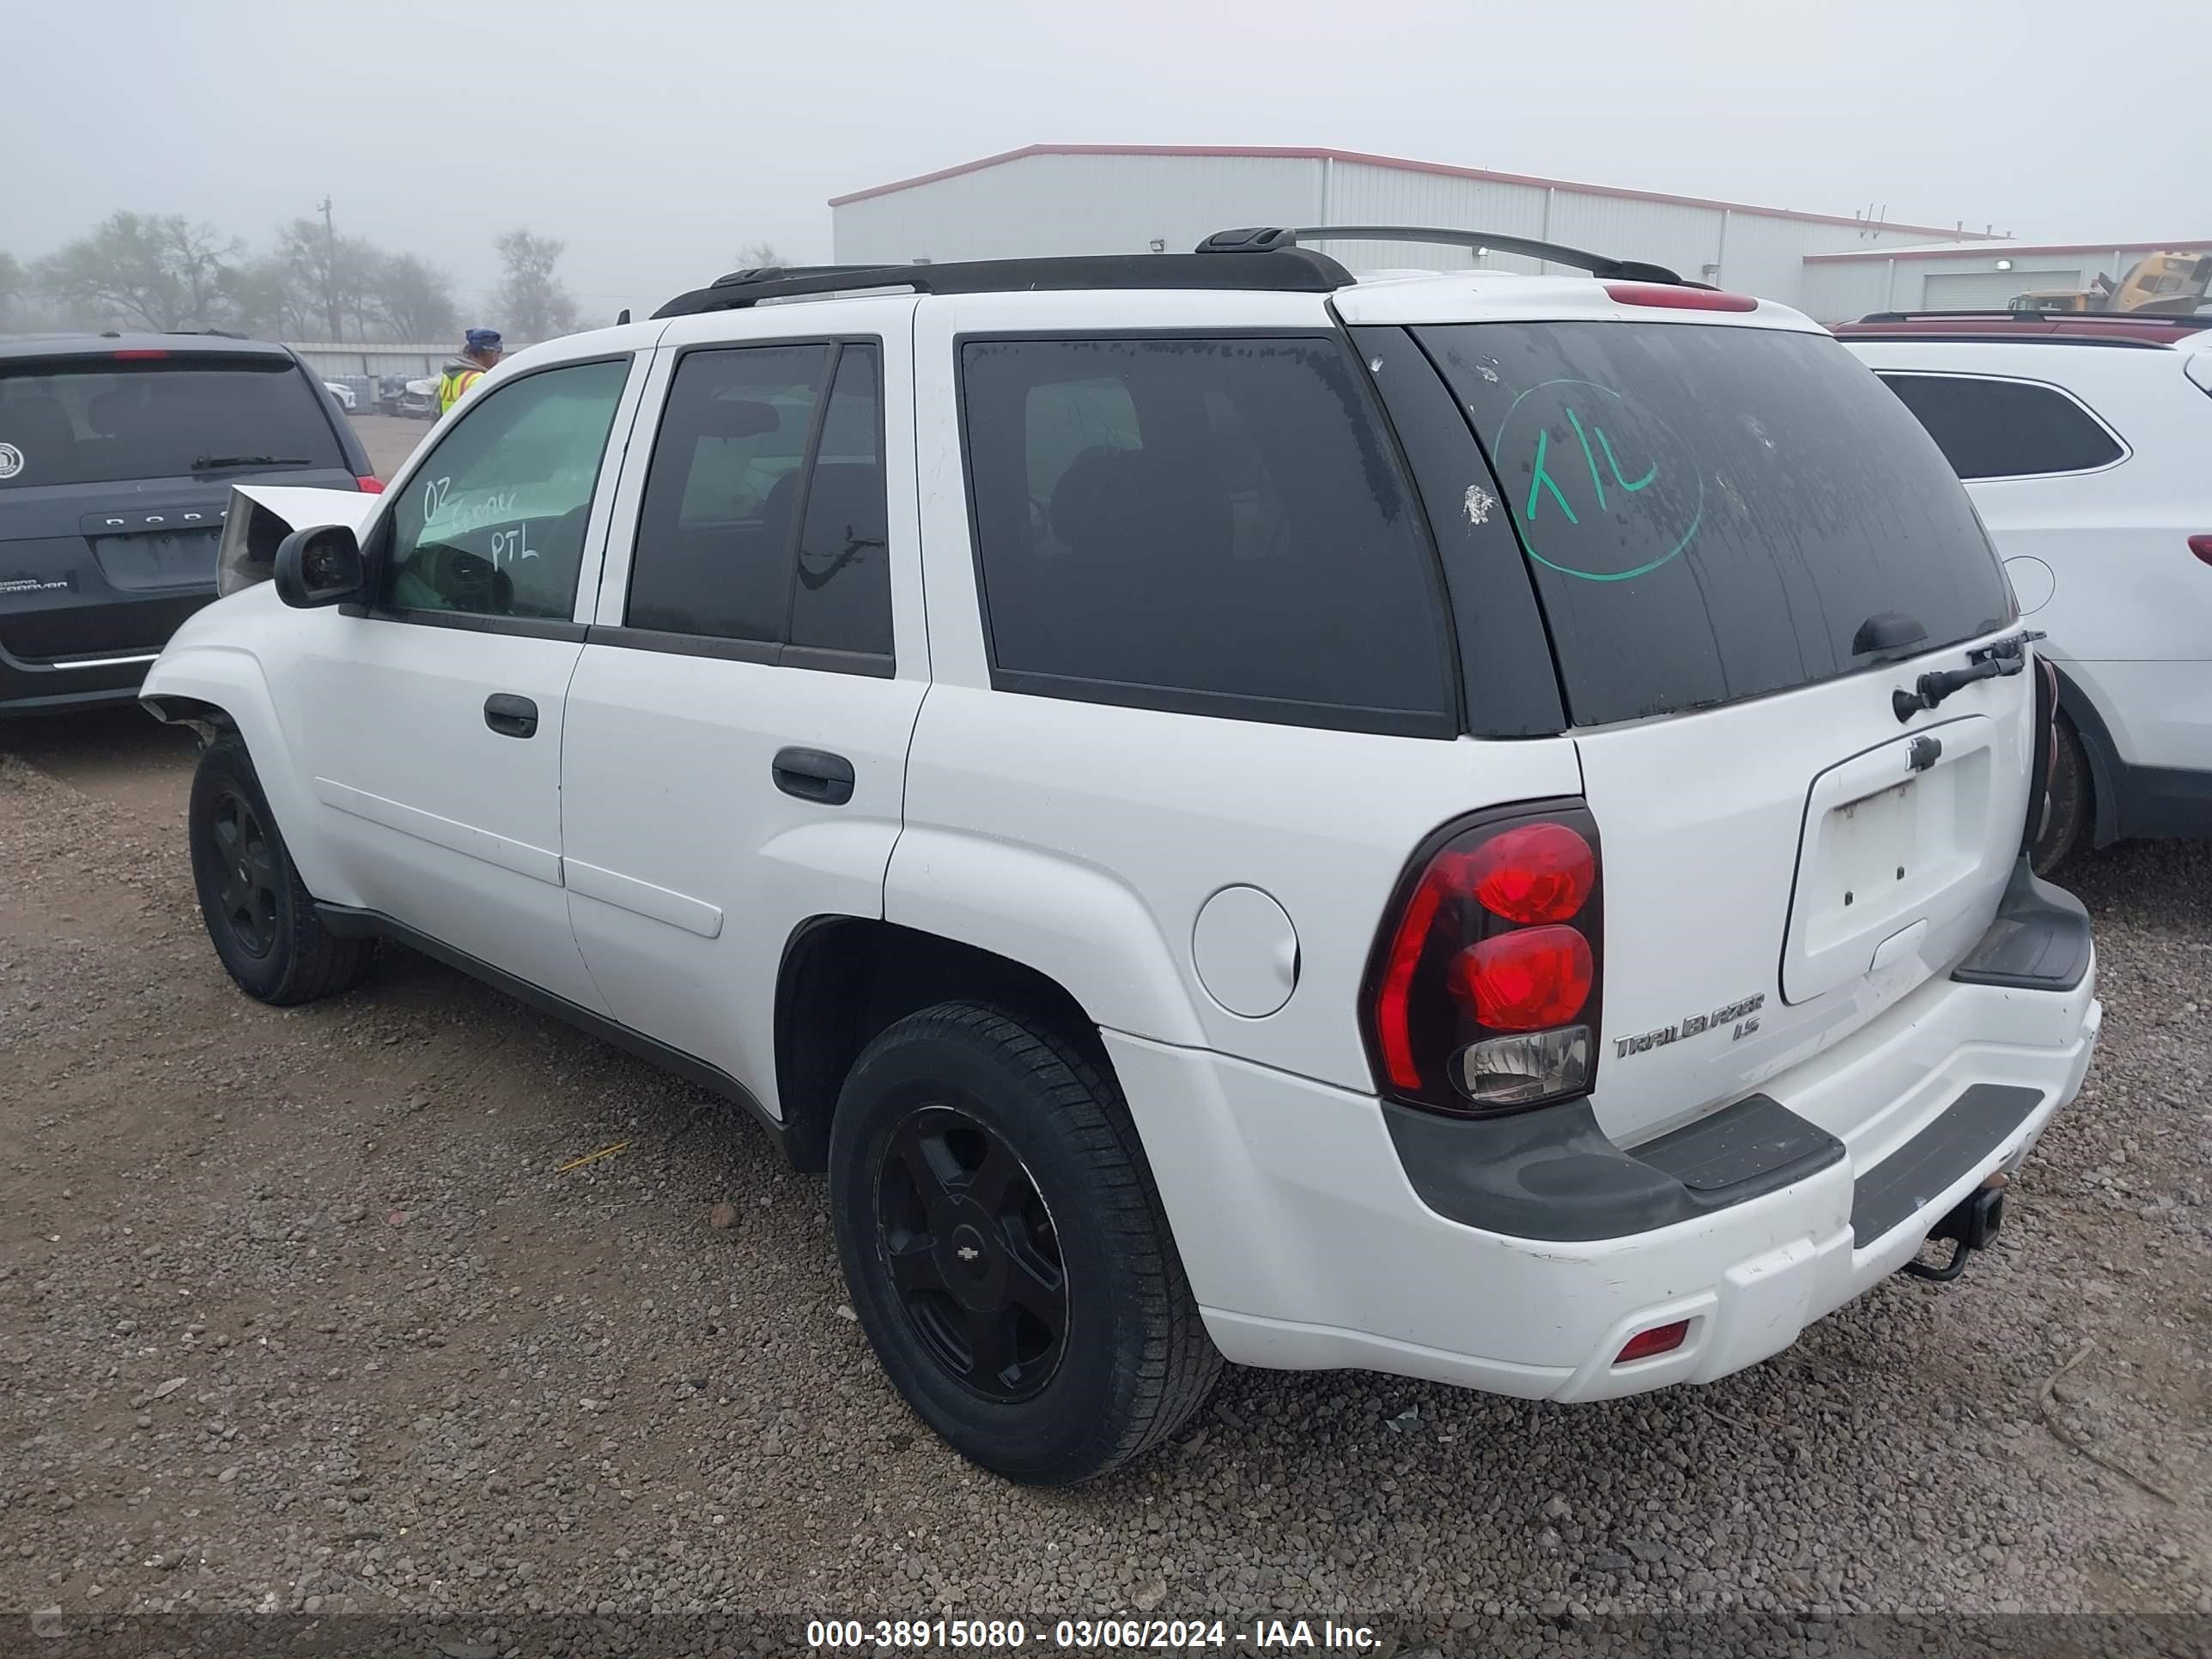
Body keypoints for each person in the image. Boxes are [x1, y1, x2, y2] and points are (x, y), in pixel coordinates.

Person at [436, 328, 503, 416]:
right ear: (491, 354)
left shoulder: (447, 377)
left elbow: (436, 413)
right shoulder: (479, 380)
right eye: (497, 353)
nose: (497, 359)